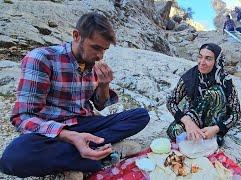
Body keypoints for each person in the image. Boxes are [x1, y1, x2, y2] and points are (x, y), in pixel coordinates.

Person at [0, 12, 150, 178]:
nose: (100, 56)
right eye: (96, 47)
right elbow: (22, 117)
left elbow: (99, 105)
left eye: (104, 50)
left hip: (84, 123)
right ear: (77, 36)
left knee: (140, 116)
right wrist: (70, 137)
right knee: (12, 159)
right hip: (52, 131)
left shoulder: (92, 64)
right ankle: (100, 155)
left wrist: (104, 85)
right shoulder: (42, 58)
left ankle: (79, 157)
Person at [166, 43, 240, 146]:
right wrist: (187, 122)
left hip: (214, 125)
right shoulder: (189, 77)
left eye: (208, 58)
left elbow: (235, 113)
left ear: (216, 61)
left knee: (214, 93)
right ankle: (201, 137)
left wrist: (216, 128)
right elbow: (170, 102)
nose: (202, 62)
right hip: (193, 119)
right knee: (173, 131)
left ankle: (210, 135)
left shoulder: (225, 82)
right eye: (200, 57)